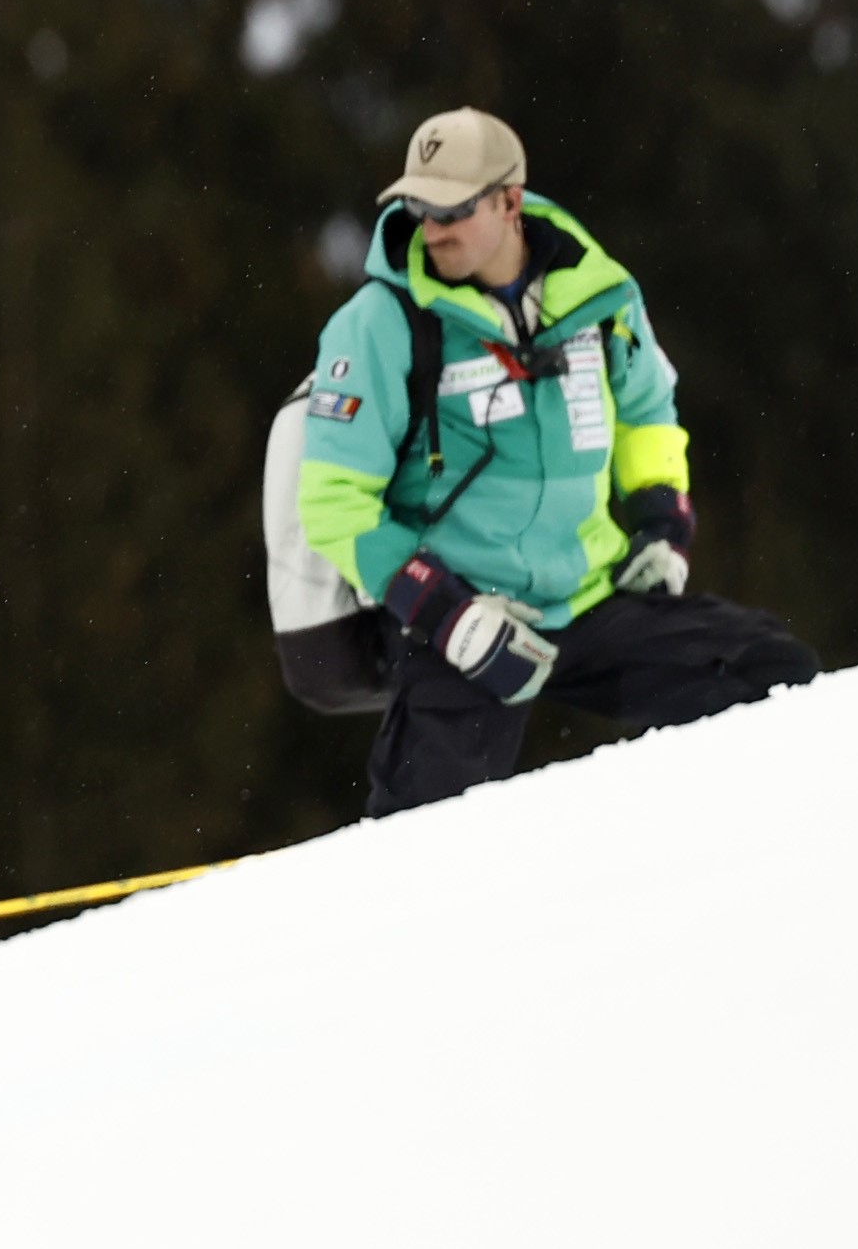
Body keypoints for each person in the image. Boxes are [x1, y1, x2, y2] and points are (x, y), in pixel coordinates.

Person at [297, 107, 815, 817]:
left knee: (773, 679)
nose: (432, 227)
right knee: (422, 842)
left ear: (510, 201)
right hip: (463, 616)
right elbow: (333, 505)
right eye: (417, 206)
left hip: (587, 597)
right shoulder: (377, 325)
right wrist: (449, 614)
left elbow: (647, 412)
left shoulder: (601, 299)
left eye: (452, 206)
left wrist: (663, 526)